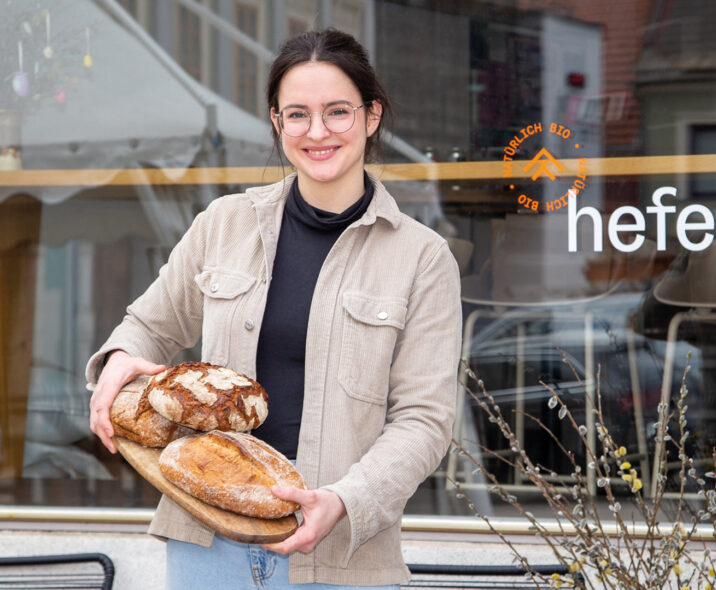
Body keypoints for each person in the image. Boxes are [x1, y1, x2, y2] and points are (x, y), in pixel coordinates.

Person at [84, 28, 461, 589]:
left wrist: (343, 500)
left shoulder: (422, 258)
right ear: (277, 123)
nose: (318, 132)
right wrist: (120, 358)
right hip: (209, 543)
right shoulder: (224, 225)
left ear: (371, 115)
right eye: (298, 114)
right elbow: (149, 326)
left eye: (337, 112)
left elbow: (424, 421)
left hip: (341, 554)